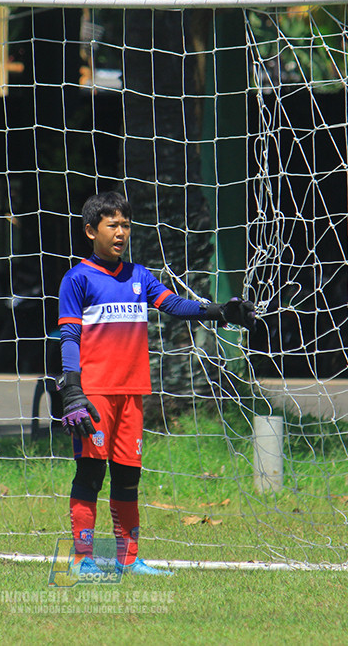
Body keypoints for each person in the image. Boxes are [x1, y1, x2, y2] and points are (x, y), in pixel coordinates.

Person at [57, 191, 256, 577]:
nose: (121, 232)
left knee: (128, 477)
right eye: (112, 225)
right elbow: (69, 336)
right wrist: (73, 389)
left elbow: (174, 305)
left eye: (126, 225)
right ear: (91, 231)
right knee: (91, 475)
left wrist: (218, 311)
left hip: (132, 394)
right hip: (94, 394)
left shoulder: (139, 276)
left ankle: (129, 559)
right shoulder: (77, 278)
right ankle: (81, 559)